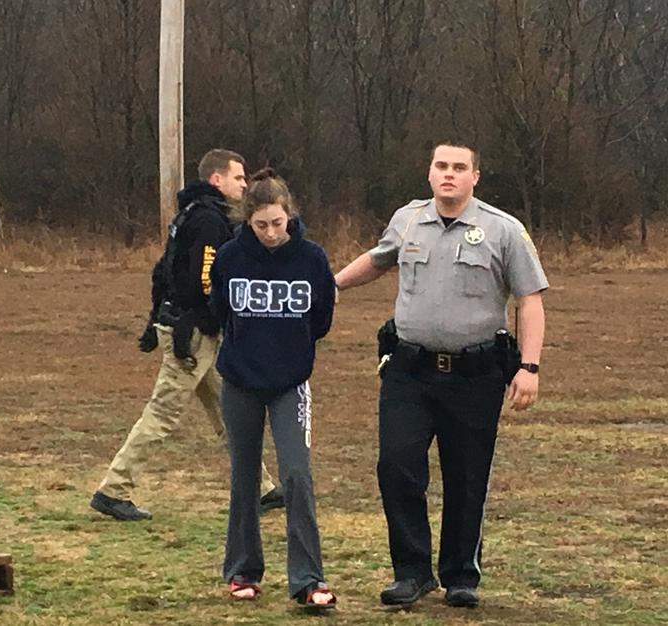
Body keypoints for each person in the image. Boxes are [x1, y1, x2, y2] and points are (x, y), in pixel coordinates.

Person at [334, 142, 548, 608]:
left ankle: (459, 576)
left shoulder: (503, 229)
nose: (449, 175)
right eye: (441, 166)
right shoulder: (408, 219)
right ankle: (411, 572)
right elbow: (378, 258)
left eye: (459, 167)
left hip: (475, 376)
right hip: (409, 373)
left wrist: (529, 367)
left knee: (467, 476)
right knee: (397, 465)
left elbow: (529, 300)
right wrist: (333, 284)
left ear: (475, 176)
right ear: (429, 173)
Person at [90, 149, 283, 521]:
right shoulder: (210, 222)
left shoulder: (190, 215)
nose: (244, 185)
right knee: (162, 413)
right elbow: (204, 282)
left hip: (187, 329)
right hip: (192, 336)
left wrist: (154, 321)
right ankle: (113, 490)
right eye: (238, 178)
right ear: (217, 180)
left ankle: (261, 489)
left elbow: (162, 270)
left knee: (229, 412)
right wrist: (190, 323)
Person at [210, 169, 337, 610]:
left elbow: (320, 319)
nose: (269, 233)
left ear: (290, 217)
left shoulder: (312, 259)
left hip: (290, 385)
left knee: (296, 475)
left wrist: (290, 353)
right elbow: (220, 311)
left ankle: (308, 579)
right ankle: (242, 569)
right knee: (244, 478)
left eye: (277, 224)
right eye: (260, 225)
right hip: (239, 382)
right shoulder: (229, 257)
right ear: (248, 220)